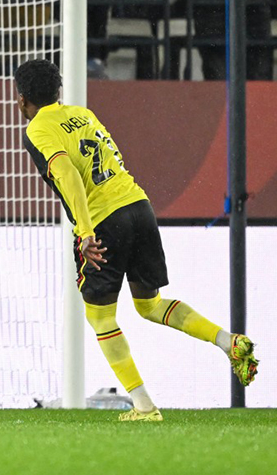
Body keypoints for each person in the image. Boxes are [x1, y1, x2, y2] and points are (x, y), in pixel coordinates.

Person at [14, 58, 259, 421]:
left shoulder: (37, 129)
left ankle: (144, 405)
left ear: (21, 101)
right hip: (138, 205)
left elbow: (67, 173)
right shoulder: (84, 114)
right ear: (59, 90)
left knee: (101, 319)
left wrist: (84, 231)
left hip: (103, 221)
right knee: (150, 305)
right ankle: (229, 342)